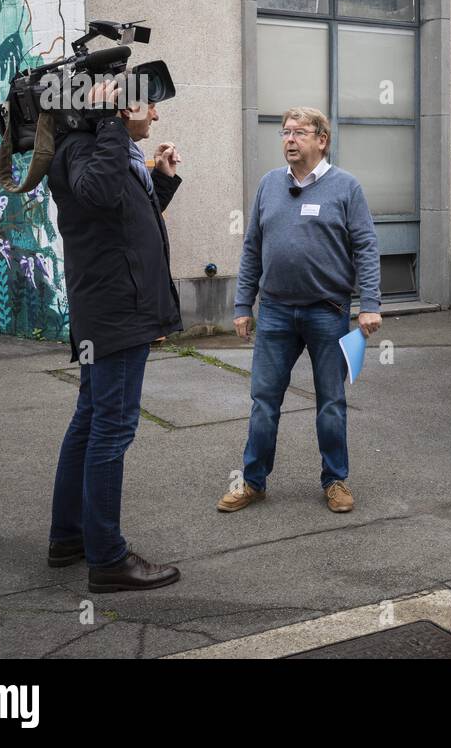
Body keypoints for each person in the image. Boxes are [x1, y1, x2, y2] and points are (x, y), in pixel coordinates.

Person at [46, 80, 184, 592]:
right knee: (112, 429)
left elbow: (118, 219)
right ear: (122, 107)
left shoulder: (109, 151)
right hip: (115, 314)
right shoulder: (88, 146)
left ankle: (69, 537)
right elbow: (100, 194)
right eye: (151, 104)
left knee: (90, 419)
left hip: (113, 310)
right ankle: (107, 558)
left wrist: (162, 182)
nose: (156, 115)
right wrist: (107, 120)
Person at [219, 106, 381, 515]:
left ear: (322, 139)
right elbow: (252, 247)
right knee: (264, 401)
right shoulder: (269, 185)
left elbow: (366, 248)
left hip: (327, 311)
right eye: (285, 133)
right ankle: (253, 481)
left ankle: (335, 480)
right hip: (274, 311)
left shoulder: (346, 187)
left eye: (299, 133)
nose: (290, 139)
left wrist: (370, 305)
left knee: (330, 401)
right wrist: (243, 305)